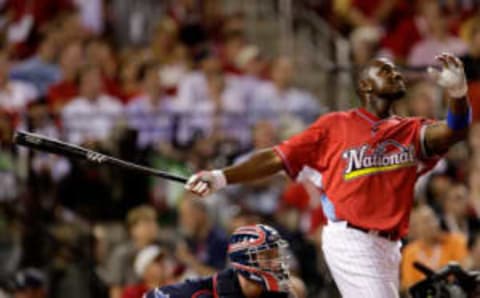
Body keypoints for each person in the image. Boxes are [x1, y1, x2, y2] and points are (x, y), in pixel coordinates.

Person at [185, 53, 472, 297]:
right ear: (364, 85)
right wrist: (220, 177)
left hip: (389, 244)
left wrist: (458, 94)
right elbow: (277, 156)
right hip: (351, 238)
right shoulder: (335, 126)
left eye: (397, 70)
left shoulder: (410, 130)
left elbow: (454, 131)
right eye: (386, 70)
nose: (395, 74)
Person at [144, 224, 305, 298]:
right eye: (268, 256)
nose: (276, 263)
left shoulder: (281, 293)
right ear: (244, 260)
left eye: (276, 255)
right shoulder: (201, 292)